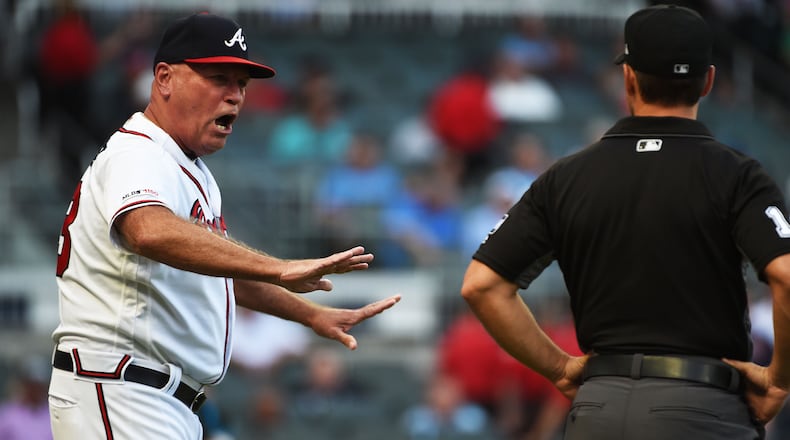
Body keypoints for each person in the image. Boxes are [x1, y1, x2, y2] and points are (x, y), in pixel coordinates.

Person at [48, 13, 400, 440]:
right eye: (219, 78)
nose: (234, 96)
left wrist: (309, 314)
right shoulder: (138, 154)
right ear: (164, 78)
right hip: (121, 388)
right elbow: (148, 229)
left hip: (151, 395)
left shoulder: (184, 167)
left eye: (242, 85)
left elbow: (219, 274)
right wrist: (279, 268)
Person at [460, 5, 790, 440]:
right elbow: (786, 275)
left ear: (628, 77)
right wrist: (780, 379)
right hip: (703, 407)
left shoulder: (566, 177)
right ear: (708, 81)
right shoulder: (738, 175)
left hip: (600, 406)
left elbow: (481, 285)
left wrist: (559, 368)